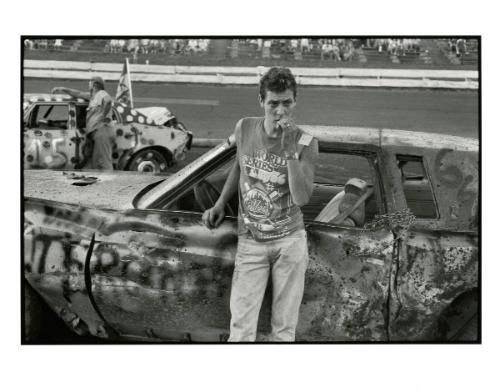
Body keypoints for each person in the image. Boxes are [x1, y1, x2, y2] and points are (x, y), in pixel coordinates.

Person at [202, 67, 318, 342]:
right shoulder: (244, 127)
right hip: (251, 239)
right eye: (273, 103)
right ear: (261, 101)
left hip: (290, 242)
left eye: (286, 103)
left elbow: (302, 198)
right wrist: (220, 203)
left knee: (283, 330)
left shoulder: (306, 142)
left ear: (295, 102)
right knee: (241, 327)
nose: (280, 110)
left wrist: (289, 149)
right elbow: (239, 166)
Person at [51, 76, 114, 170]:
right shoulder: (93, 97)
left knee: (103, 161)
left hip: (102, 130)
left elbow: (108, 101)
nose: (88, 84)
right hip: (96, 132)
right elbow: (78, 93)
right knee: (96, 161)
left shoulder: (101, 93)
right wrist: (62, 89)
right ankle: (103, 181)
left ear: (94, 84)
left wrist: (102, 116)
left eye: (89, 83)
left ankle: (111, 183)